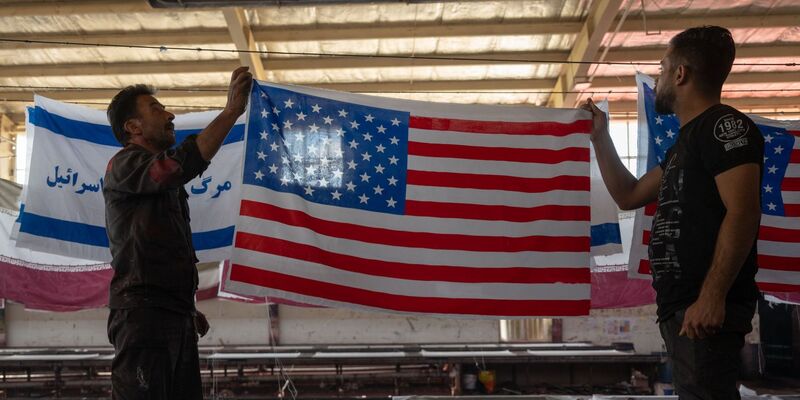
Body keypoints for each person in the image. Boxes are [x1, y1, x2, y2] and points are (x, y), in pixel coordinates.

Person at [583, 26, 763, 399]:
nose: (661, 76)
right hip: (683, 307)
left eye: (663, 68)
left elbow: (744, 212)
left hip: (706, 307)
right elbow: (628, 194)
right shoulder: (685, 143)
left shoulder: (723, 127)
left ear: (680, 74)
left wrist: (712, 296)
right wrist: (601, 136)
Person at [103, 66, 252, 399]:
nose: (169, 114)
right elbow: (176, 166)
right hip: (144, 315)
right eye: (156, 110)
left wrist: (185, 308)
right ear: (132, 126)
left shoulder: (155, 182)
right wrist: (231, 112)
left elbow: (161, 249)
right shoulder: (125, 165)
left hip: (166, 313)